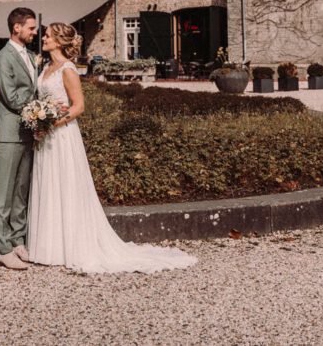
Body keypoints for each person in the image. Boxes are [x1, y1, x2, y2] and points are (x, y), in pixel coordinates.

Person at [26, 22, 197, 274]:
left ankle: (70, 245)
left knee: (65, 184)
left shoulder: (68, 69)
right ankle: (49, 247)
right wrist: (37, 120)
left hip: (62, 135)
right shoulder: (46, 67)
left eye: (48, 36)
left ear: (60, 41)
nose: (44, 38)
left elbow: (78, 106)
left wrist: (52, 123)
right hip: (45, 136)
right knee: (49, 183)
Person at [0, 7, 41, 271]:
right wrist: (41, 107)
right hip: (9, 133)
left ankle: (18, 239)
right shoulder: (2, 58)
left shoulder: (32, 56)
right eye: (31, 27)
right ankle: (3, 249)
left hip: (28, 132)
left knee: (21, 191)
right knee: (4, 194)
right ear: (16, 28)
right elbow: (10, 97)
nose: (35, 32)